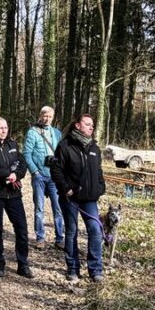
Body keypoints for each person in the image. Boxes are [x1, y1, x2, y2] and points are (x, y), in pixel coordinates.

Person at [49, 113, 107, 283]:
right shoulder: (65, 146)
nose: (91, 127)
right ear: (78, 126)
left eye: (92, 125)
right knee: (71, 232)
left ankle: (95, 269)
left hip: (90, 198)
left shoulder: (94, 148)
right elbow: (56, 170)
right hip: (71, 198)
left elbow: (98, 171)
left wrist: (100, 186)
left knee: (95, 230)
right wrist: (66, 189)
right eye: (87, 124)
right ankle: (72, 268)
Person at [0, 117, 33, 278]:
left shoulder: (13, 144)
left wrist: (16, 175)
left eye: (6, 128)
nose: (3, 131)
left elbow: (22, 163)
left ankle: (23, 264)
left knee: (21, 228)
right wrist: (5, 174)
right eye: (0, 128)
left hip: (13, 192)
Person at [23, 105, 64, 249]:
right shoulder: (32, 133)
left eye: (50, 116)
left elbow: (61, 154)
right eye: (45, 116)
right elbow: (27, 154)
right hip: (39, 176)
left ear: (53, 118)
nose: (47, 119)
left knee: (58, 208)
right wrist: (35, 172)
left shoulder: (57, 133)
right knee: (39, 208)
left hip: (54, 177)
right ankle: (40, 238)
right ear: (40, 116)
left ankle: (60, 238)